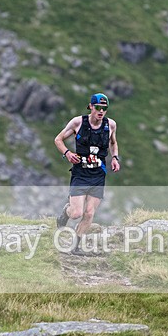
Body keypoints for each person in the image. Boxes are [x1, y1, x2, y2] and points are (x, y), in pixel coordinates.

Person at [53, 93, 120, 251]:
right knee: (76, 213)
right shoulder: (78, 122)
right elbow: (58, 139)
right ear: (90, 106)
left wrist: (115, 157)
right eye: (98, 107)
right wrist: (67, 153)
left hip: (98, 174)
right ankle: (66, 212)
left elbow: (113, 142)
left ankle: (75, 246)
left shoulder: (110, 125)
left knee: (89, 213)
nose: (101, 111)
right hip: (80, 173)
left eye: (104, 108)